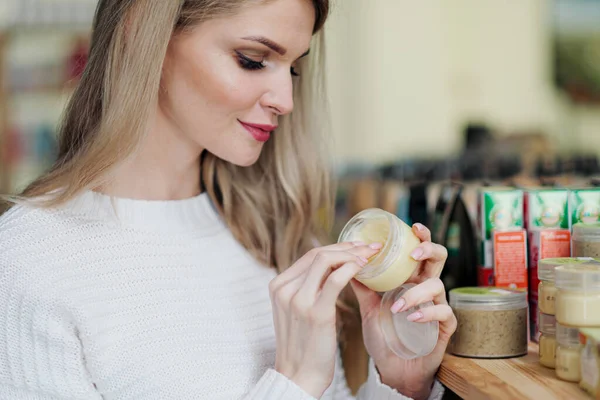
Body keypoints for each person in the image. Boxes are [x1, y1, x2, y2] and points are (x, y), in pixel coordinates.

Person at [0, 1, 457, 399]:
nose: (286, 100)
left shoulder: (264, 230)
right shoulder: (32, 259)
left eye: (293, 68)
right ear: (144, 31)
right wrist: (293, 382)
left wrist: (400, 385)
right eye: (253, 60)